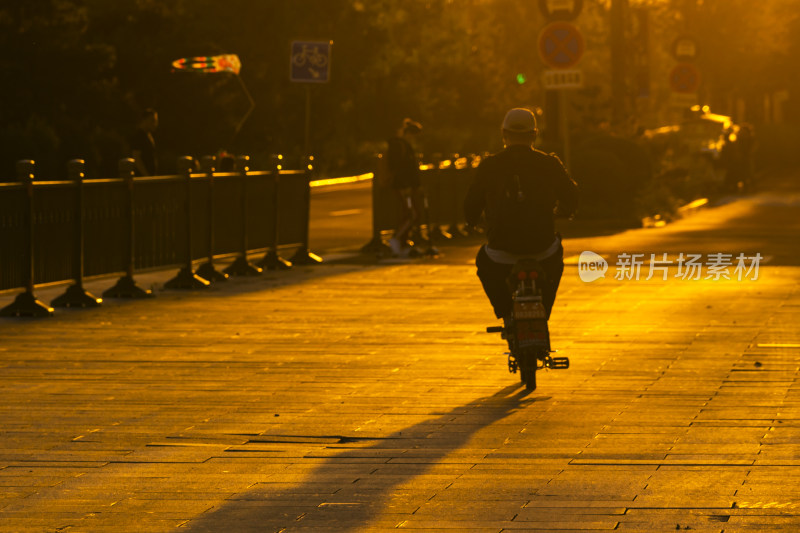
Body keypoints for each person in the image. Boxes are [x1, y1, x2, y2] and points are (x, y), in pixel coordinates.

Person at [464, 107, 578, 324]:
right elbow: (571, 195)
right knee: (555, 261)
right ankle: (544, 312)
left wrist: (472, 221)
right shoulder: (549, 163)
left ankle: (506, 313)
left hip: (501, 249)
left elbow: (472, 201)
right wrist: (565, 211)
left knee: (484, 263)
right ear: (534, 134)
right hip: (542, 247)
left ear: (503, 134)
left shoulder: (490, 165)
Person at [386, 118, 423, 257]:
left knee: (409, 213)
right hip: (404, 187)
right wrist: (407, 185)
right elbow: (401, 168)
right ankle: (397, 239)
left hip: (406, 186)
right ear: (409, 134)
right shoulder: (400, 146)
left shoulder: (403, 146)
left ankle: (402, 241)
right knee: (411, 214)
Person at [130, 108, 158, 176]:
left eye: (156, 121)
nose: (155, 124)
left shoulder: (148, 135)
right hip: (143, 178)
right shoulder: (139, 136)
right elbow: (136, 158)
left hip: (150, 176)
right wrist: (146, 175)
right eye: (152, 121)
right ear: (144, 120)